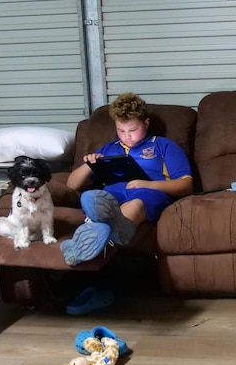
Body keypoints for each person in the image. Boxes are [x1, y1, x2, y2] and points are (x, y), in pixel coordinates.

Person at [60, 92, 193, 266]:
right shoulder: (109, 148)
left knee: (135, 204)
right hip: (111, 196)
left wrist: (148, 184)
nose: (126, 136)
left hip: (147, 193)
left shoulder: (163, 145)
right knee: (92, 198)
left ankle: (85, 239)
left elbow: (187, 184)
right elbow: (72, 185)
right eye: (120, 131)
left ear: (146, 124)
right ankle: (104, 228)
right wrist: (90, 164)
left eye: (133, 130)